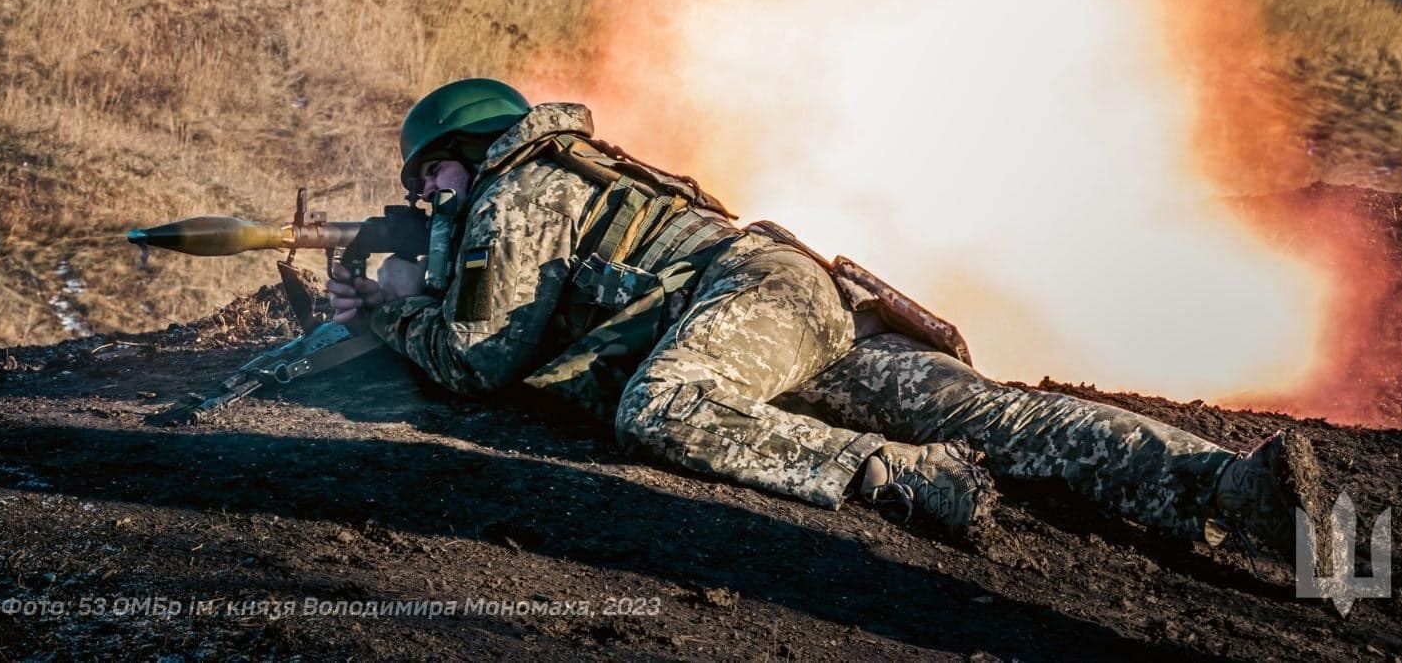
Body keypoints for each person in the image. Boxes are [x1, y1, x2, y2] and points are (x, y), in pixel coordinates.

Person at [328, 78, 1321, 557]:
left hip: (749, 306)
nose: (429, 197)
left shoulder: (519, 184)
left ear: (467, 145)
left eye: (432, 176)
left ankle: (894, 475)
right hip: (792, 304)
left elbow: (479, 357)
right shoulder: (569, 178)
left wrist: (390, 316)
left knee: (662, 410)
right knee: (997, 417)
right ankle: (1229, 486)